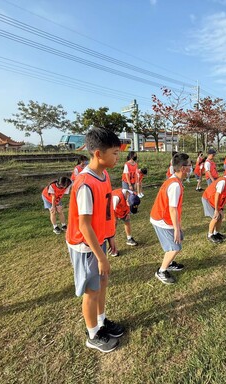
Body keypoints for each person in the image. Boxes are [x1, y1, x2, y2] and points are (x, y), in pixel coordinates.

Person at [65, 127, 125, 353]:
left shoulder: (105, 175)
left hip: (99, 239)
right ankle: (92, 334)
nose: (117, 157)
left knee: (102, 284)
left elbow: (106, 211)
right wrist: (101, 257)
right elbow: (84, 225)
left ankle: (101, 321)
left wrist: (110, 236)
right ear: (98, 154)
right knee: (92, 290)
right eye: (114, 153)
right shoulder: (85, 184)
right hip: (85, 245)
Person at [150, 153, 191, 285]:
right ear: (183, 168)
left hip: (164, 218)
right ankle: (161, 271)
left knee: (178, 241)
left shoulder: (175, 180)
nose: (192, 167)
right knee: (175, 247)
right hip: (162, 220)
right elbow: (172, 209)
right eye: (190, 165)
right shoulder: (175, 185)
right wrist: (176, 228)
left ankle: (170, 263)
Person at [107, 189, 141, 257]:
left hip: (122, 209)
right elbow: (110, 210)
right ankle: (112, 247)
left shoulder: (133, 195)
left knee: (127, 220)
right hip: (112, 210)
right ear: (127, 200)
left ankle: (129, 239)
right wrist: (114, 220)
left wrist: (128, 212)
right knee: (113, 227)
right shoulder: (116, 197)